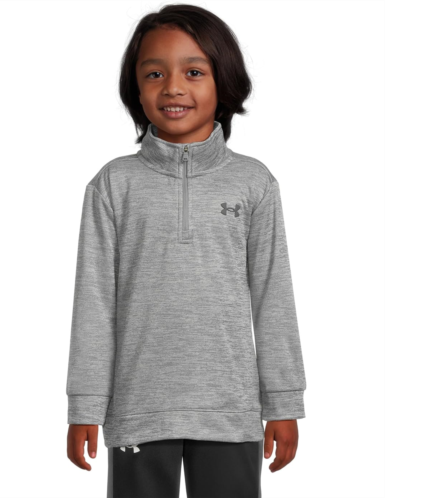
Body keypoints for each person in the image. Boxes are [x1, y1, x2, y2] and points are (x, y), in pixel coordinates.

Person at [66, 4, 307, 497]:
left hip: (230, 412)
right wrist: (84, 405)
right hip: (137, 410)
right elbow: (94, 303)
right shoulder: (113, 185)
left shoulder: (254, 183)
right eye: (154, 73)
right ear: (135, 89)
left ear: (225, 83)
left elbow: (273, 297)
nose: (172, 87)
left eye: (193, 72)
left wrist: (283, 402)